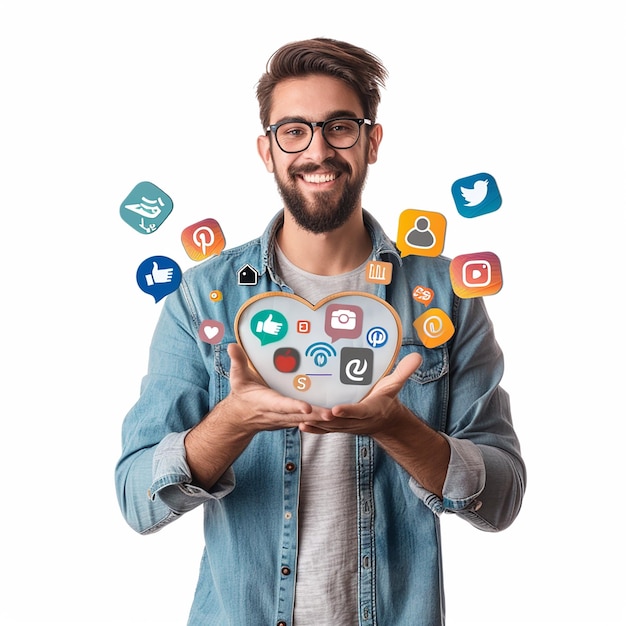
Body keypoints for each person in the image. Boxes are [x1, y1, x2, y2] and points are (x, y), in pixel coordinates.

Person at [115, 38, 526, 626]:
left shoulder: (447, 294)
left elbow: (503, 495)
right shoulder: (200, 295)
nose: (317, 150)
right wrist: (232, 422)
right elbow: (137, 497)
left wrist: (399, 429)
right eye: (294, 131)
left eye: (339, 127)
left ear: (371, 141)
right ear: (267, 149)